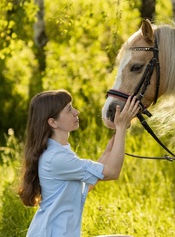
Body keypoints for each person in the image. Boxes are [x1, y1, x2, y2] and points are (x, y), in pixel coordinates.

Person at [18, 89, 140, 237]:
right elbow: (112, 172)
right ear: (53, 122)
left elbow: (85, 186)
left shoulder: (59, 151)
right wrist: (121, 127)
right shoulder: (56, 157)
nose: (77, 112)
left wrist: (112, 145)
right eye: (69, 110)